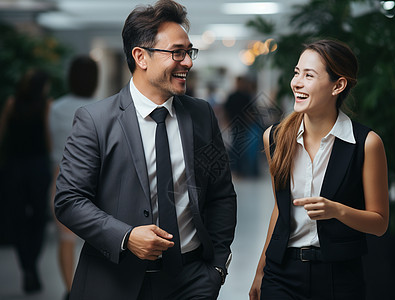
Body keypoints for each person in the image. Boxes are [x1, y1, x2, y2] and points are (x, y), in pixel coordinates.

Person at [53, 1, 237, 299]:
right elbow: (69, 201)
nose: (188, 62)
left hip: (190, 282)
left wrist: (216, 269)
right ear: (141, 56)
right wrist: (125, 237)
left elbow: (221, 194)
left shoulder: (201, 115)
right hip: (114, 281)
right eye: (177, 52)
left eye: (189, 52)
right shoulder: (96, 121)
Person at [249, 39, 389, 300]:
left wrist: (336, 210)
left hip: (339, 275)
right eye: (296, 72)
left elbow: (379, 223)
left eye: (309, 75)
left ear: (338, 85)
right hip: (282, 273)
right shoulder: (275, 138)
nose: (297, 83)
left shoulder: (366, 144)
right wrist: (260, 272)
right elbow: (280, 209)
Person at [49, 55, 99, 300]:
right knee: (99, 237)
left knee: (66, 238)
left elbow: (49, 145)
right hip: (94, 176)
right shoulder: (100, 108)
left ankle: (70, 290)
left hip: (61, 176)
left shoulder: (55, 108)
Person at [0, 69, 52, 294]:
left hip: (14, 166)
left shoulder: (11, 103)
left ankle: (27, 267)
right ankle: (32, 265)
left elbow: (1, 135)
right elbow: (49, 139)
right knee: (39, 217)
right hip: (38, 166)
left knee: (18, 218)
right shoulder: (46, 105)